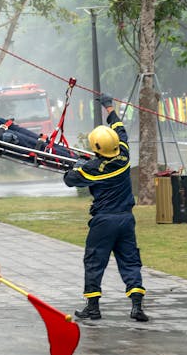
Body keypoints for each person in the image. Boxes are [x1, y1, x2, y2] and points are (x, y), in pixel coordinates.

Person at [63, 94, 149, 322]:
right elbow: (119, 127)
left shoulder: (93, 169)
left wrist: (77, 165)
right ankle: (137, 306)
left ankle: (93, 307)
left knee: (94, 260)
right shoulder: (124, 154)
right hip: (126, 219)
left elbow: (69, 179)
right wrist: (109, 106)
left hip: (104, 222)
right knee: (130, 260)